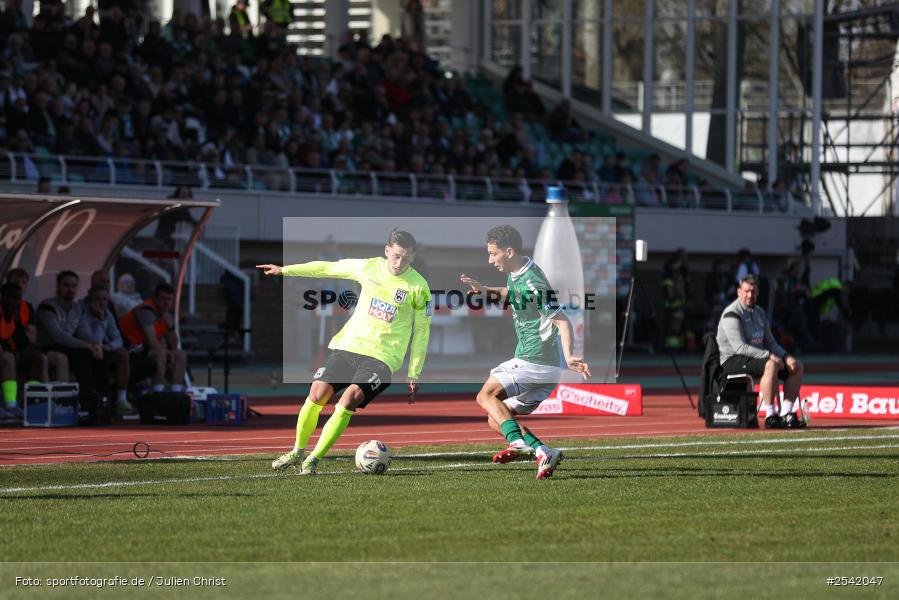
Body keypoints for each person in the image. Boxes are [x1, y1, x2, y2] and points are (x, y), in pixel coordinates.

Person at [258, 228, 431, 475]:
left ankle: (313, 460)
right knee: (317, 393)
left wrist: (414, 372)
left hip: (382, 359)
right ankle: (297, 452)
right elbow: (328, 268)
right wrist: (285, 270)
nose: (399, 262)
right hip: (349, 346)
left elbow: (422, 332)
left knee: (348, 399)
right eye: (395, 255)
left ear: (413, 257)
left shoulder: (418, 287)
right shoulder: (369, 267)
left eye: (406, 258)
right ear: (386, 251)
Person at [460, 225, 590, 480]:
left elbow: (562, 320)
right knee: (496, 417)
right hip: (541, 367)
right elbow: (512, 294)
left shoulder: (534, 281)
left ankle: (518, 443)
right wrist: (485, 290)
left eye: (493, 253)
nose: (490, 259)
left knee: (485, 395)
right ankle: (544, 451)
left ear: (508, 252)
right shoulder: (517, 272)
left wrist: (571, 356)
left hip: (535, 361)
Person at [716, 275, 805, 429]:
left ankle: (786, 414)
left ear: (758, 293)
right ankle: (771, 416)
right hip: (732, 360)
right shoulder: (732, 314)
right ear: (739, 292)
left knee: (797, 367)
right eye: (746, 291)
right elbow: (740, 348)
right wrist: (769, 356)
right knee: (770, 365)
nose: (750, 295)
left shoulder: (760, 313)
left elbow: (770, 343)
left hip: (756, 359)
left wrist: (787, 357)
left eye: (753, 291)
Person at [36, 271, 101, 406]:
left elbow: (84, 333)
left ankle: (99, 400)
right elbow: (58, 336)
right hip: (48, 346)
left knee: (97, 354)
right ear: (58, 287)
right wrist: (85, 345)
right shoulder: (47, 306)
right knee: (83, 352)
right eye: (66, 285)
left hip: (69, 346)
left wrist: (95, 344)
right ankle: (71, 401)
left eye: (74, 286)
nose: (70, 289)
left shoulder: (78, 308)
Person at [76, 285, 136, 416]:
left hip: (101, 349)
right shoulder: (81, 311)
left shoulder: (107, 313)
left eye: (104, 299)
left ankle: (121, 399)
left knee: (123, 353)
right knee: (95, 353)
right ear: (89, 298)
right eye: (97, 299)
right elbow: (90, 338)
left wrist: (108, 347)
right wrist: (100, 320)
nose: (101, 302)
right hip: (84, 350)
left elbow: (118, 339)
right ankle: (93, 399)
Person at [118, 282, 187, 393]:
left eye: (169, 299)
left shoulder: (166, 314)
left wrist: (170, 326)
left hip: (143, 349)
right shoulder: (146, 310)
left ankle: (176, 394)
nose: (166, 302)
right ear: (155, 298)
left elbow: (173, 345)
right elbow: (152, 342)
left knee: (180, 355)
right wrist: (167, 352)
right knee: (160, 353)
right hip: (129, 349)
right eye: (163, 298)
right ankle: (156, 393)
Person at [0, 283, 48, 420]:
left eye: (18, 298)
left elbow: (23, 343)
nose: (15, 302)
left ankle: (33, 402)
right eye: (11, 298)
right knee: (7, 358)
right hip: (5, 354)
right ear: (2, 297)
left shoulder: (16, 313)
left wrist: (16, 321)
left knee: (37, 358)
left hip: (12, 352)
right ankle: (10, 405)